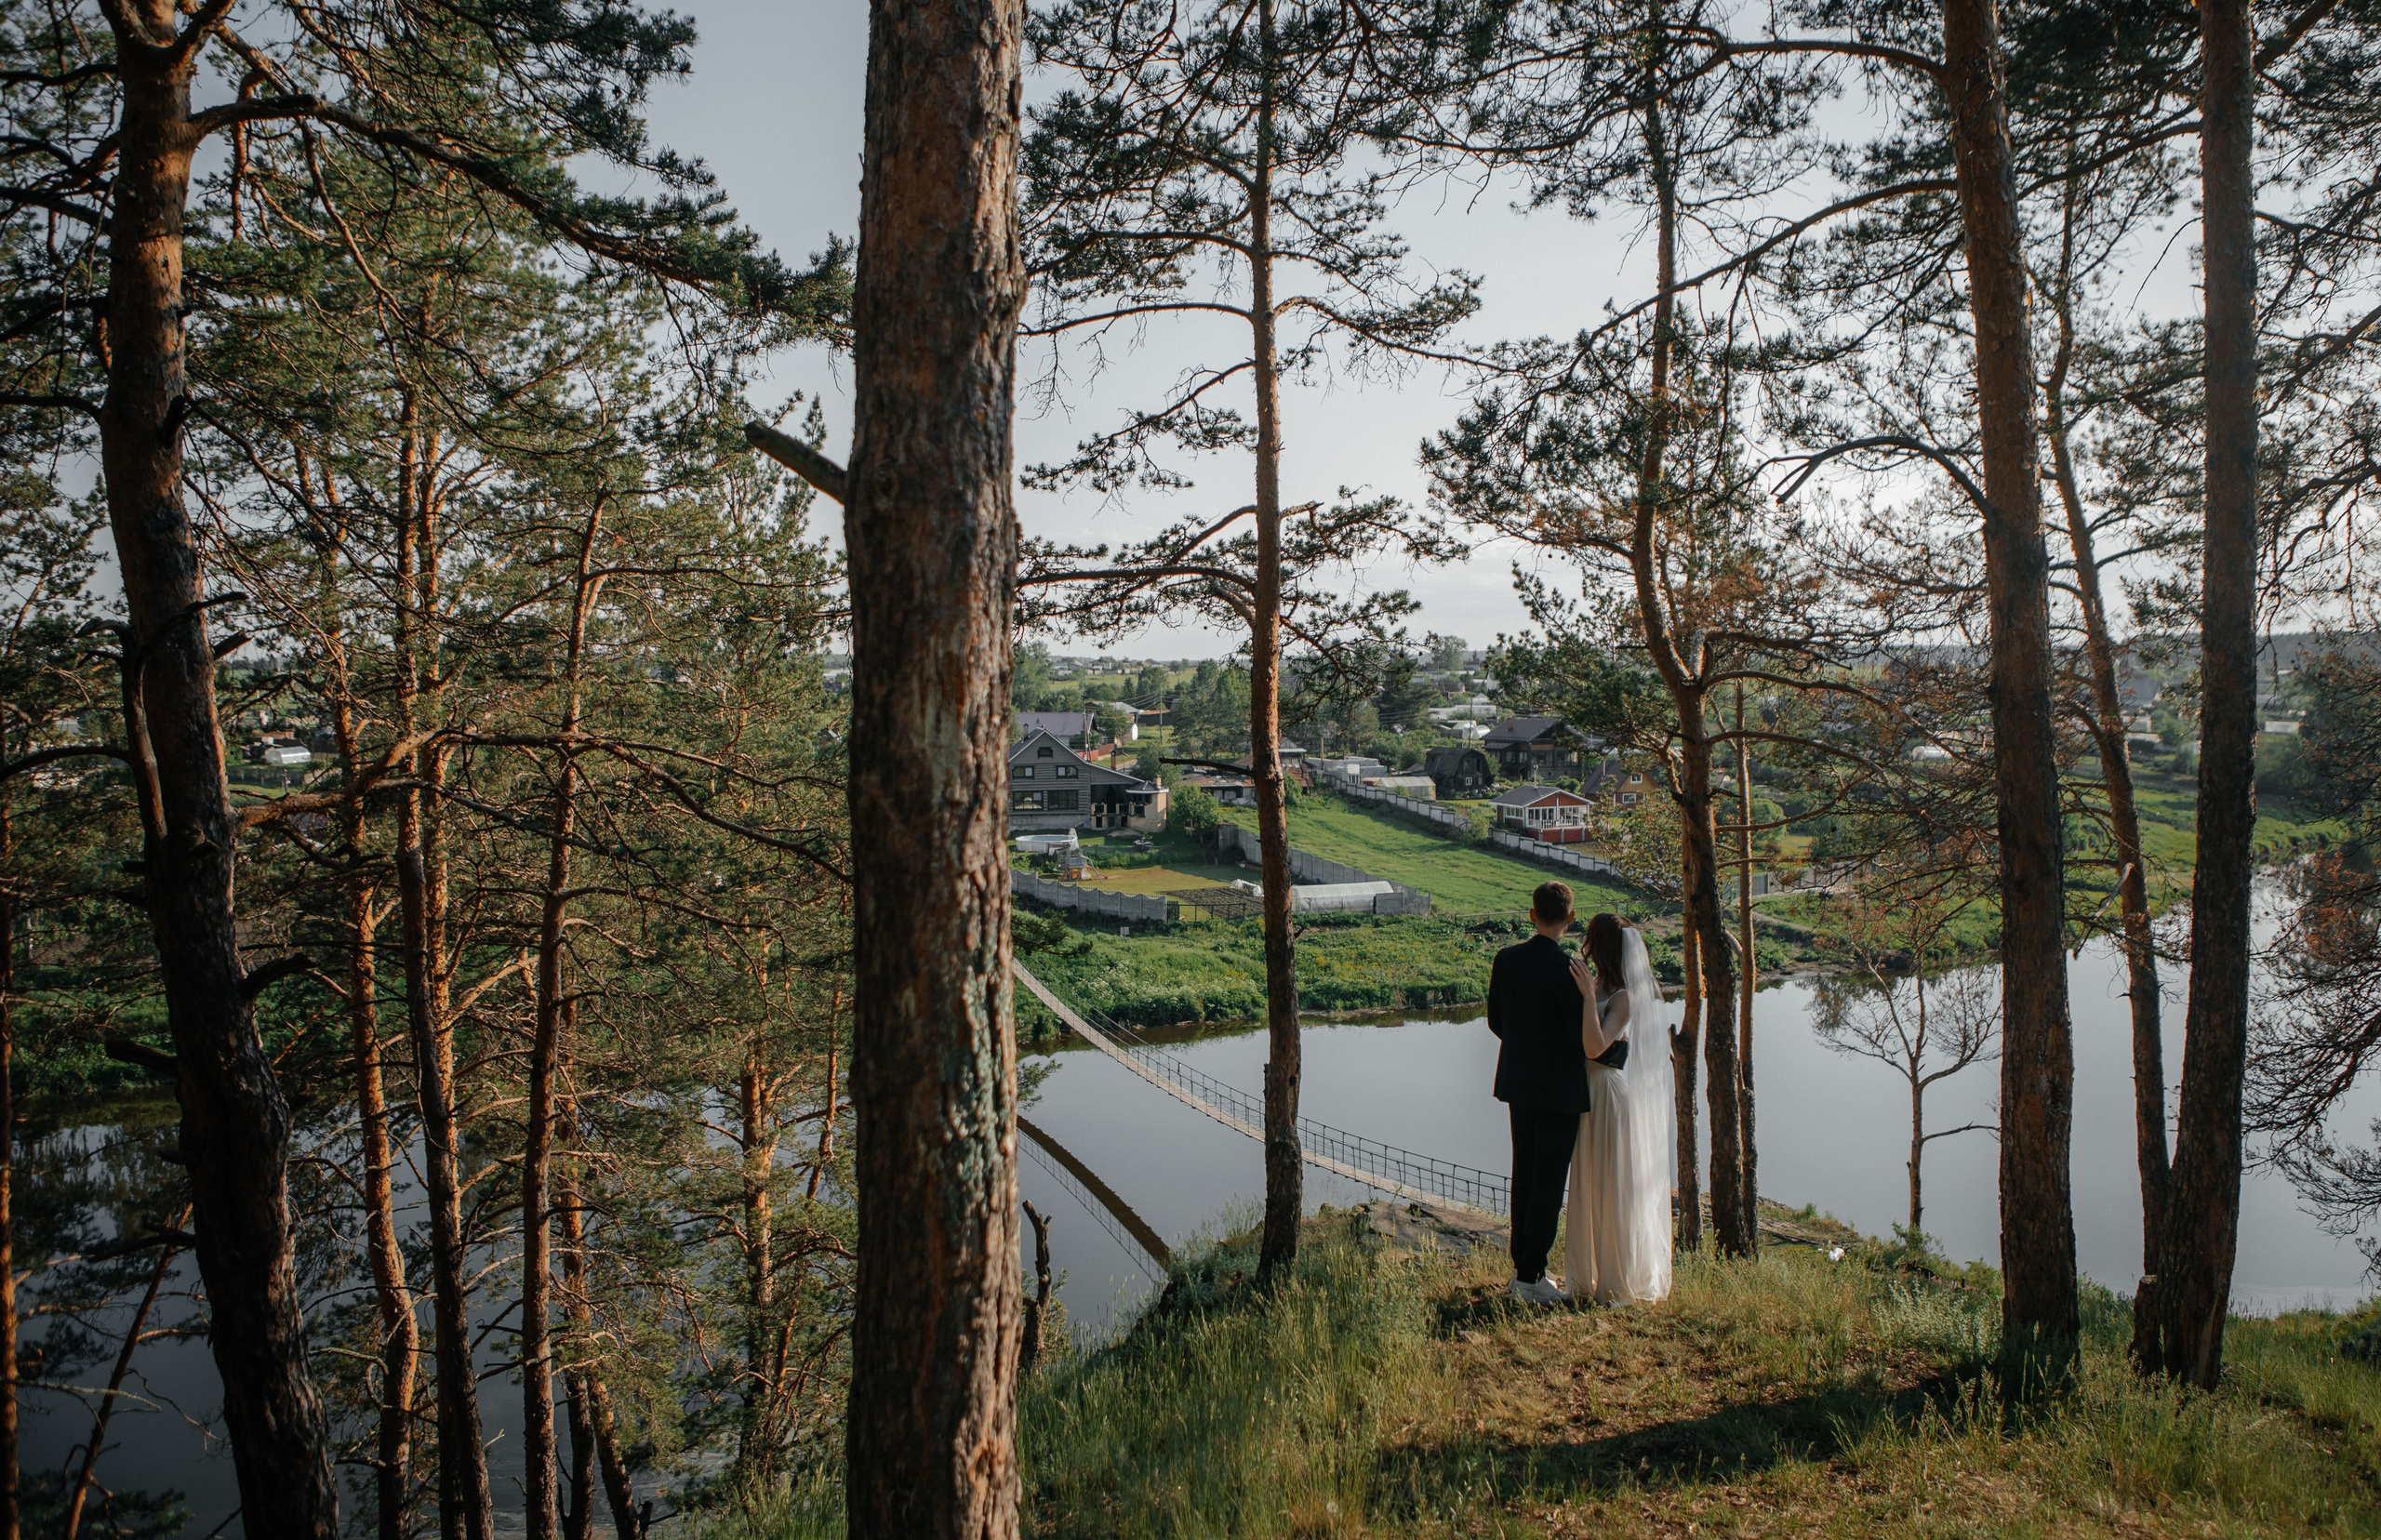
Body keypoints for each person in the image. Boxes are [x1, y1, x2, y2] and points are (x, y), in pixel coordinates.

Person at [1563, 913, 1676, 1304]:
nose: (1585, 944)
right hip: (1585, 1094)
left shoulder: (1624, 998)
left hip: (1608, 1097)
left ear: (1602, 946)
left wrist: (1583, 999)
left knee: (1611, 1188)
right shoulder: (1592, 984)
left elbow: (1595, 1048)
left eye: (1591, 938)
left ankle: (1615, 1282)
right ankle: (1582, 1278)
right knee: (1587, 1183)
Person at [1487, 881, 1591, 1302]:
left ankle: (1522, 1270)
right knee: (1549, 1182)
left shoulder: (1506, 959)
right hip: (1560, 1090)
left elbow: (1497, 1021)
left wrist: (1524, 1048)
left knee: (1525, 1175)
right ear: (1570, 918)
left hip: (1519, 1082)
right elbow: (1579, 1038)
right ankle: (1532, 1278)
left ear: (1531, 914)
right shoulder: (1571, 970)